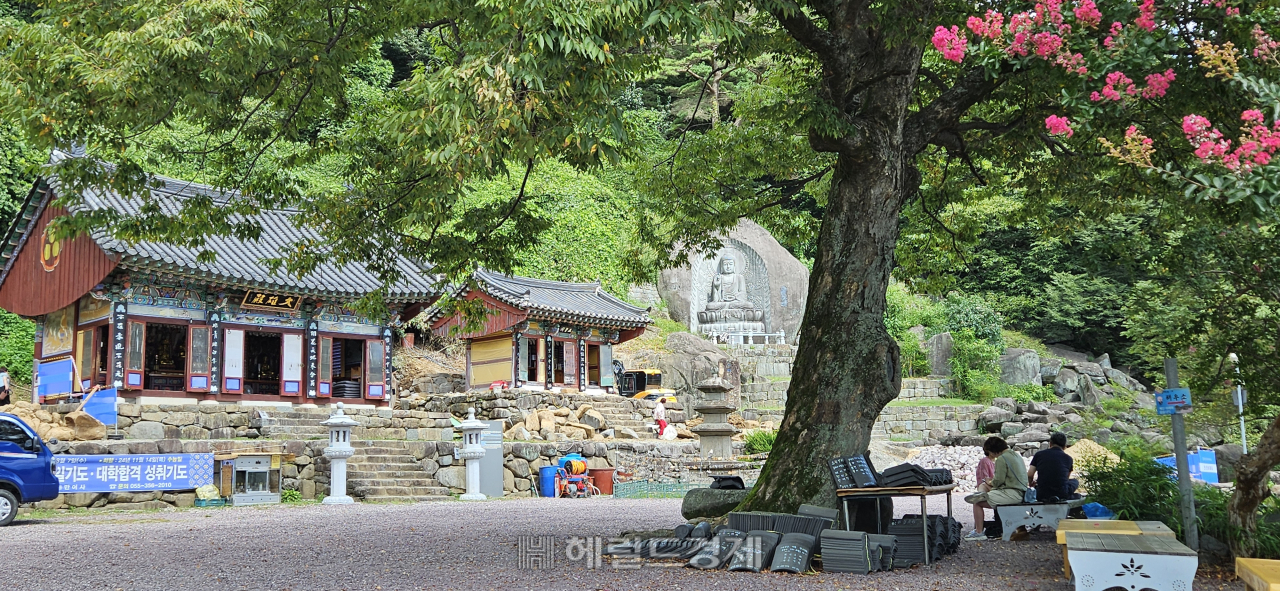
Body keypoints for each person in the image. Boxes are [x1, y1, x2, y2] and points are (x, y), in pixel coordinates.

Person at [964, 436, 1029, 540]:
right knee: (983, 486)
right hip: (1020, 491)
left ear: (993, 451)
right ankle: (982, 495)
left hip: (1012, 494)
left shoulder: (1002, 459)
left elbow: (998, 481)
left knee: (977, 503)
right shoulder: (1016, 455)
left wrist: (991, 481)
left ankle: (979, 532)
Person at [1028, 432, 1079, 502]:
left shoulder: (1039, 454)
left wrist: (1031, 484)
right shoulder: (1068, 458)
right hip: (1062, 493)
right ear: (1064, 446)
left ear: (1050, 443)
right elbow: (1065, 479)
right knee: (1075, 481)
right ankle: (1067, 496)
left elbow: (1030, 475)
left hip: (1041, 494)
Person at [971, 450, 996, 538]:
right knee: (978, 499)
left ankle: (979, 530)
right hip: (987, 486)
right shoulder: (985, 461)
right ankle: (979, 529)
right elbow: (984, 478)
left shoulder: (994, 461)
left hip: (991, 486)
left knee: (977, 502)